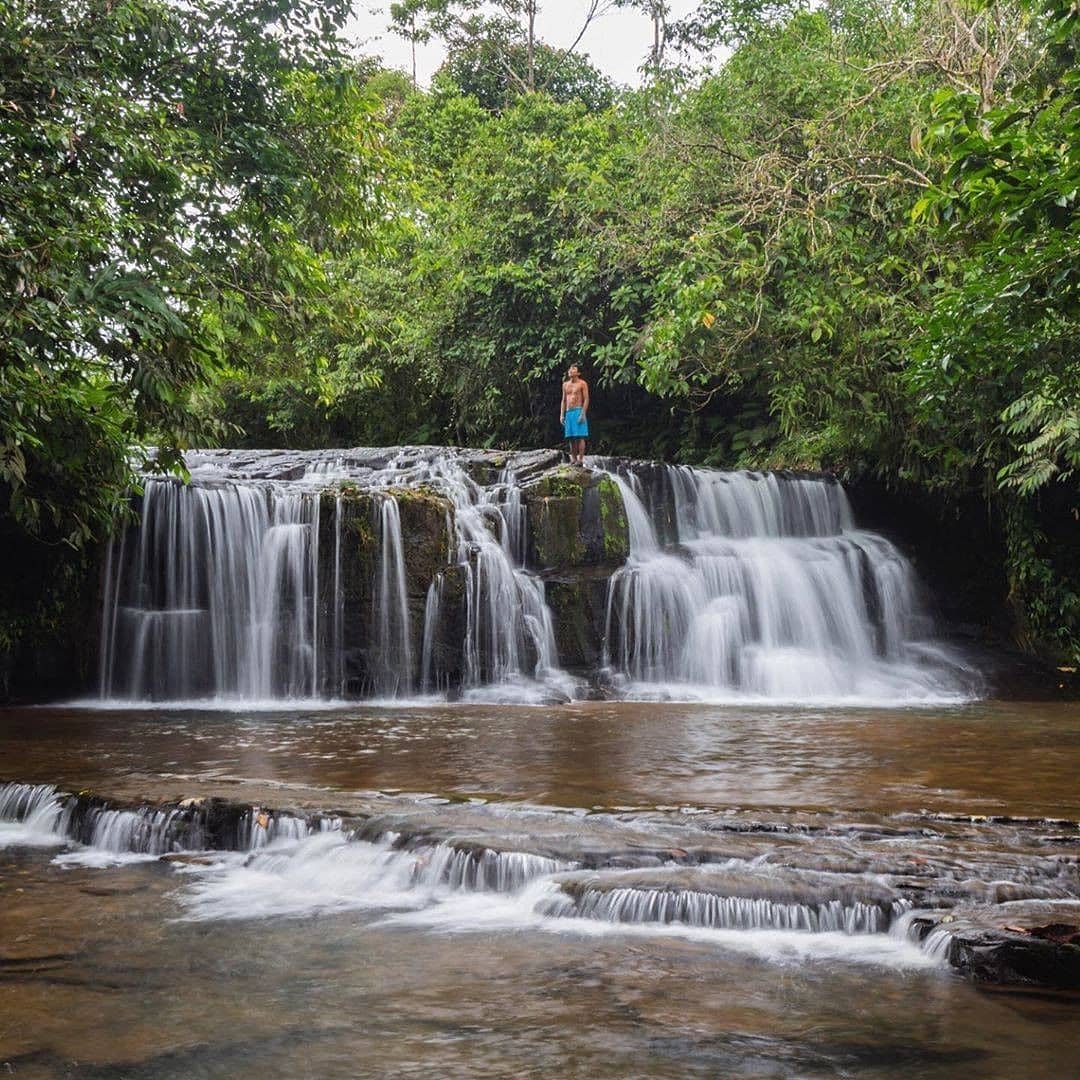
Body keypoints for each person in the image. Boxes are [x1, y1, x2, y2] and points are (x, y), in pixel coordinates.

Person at [560, 364, 590, 465]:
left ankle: (580, 459)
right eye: (570, 370)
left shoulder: (582, 383)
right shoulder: (565, 385)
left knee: (580, 436)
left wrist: (583, 413)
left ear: (578, 373)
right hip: (569, 412)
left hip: (578, 410)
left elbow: (586, 399)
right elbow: (563, 400)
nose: (571, 371)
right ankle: (573, 458)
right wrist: (562, 414)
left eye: (574, 370)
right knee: (571, 437)